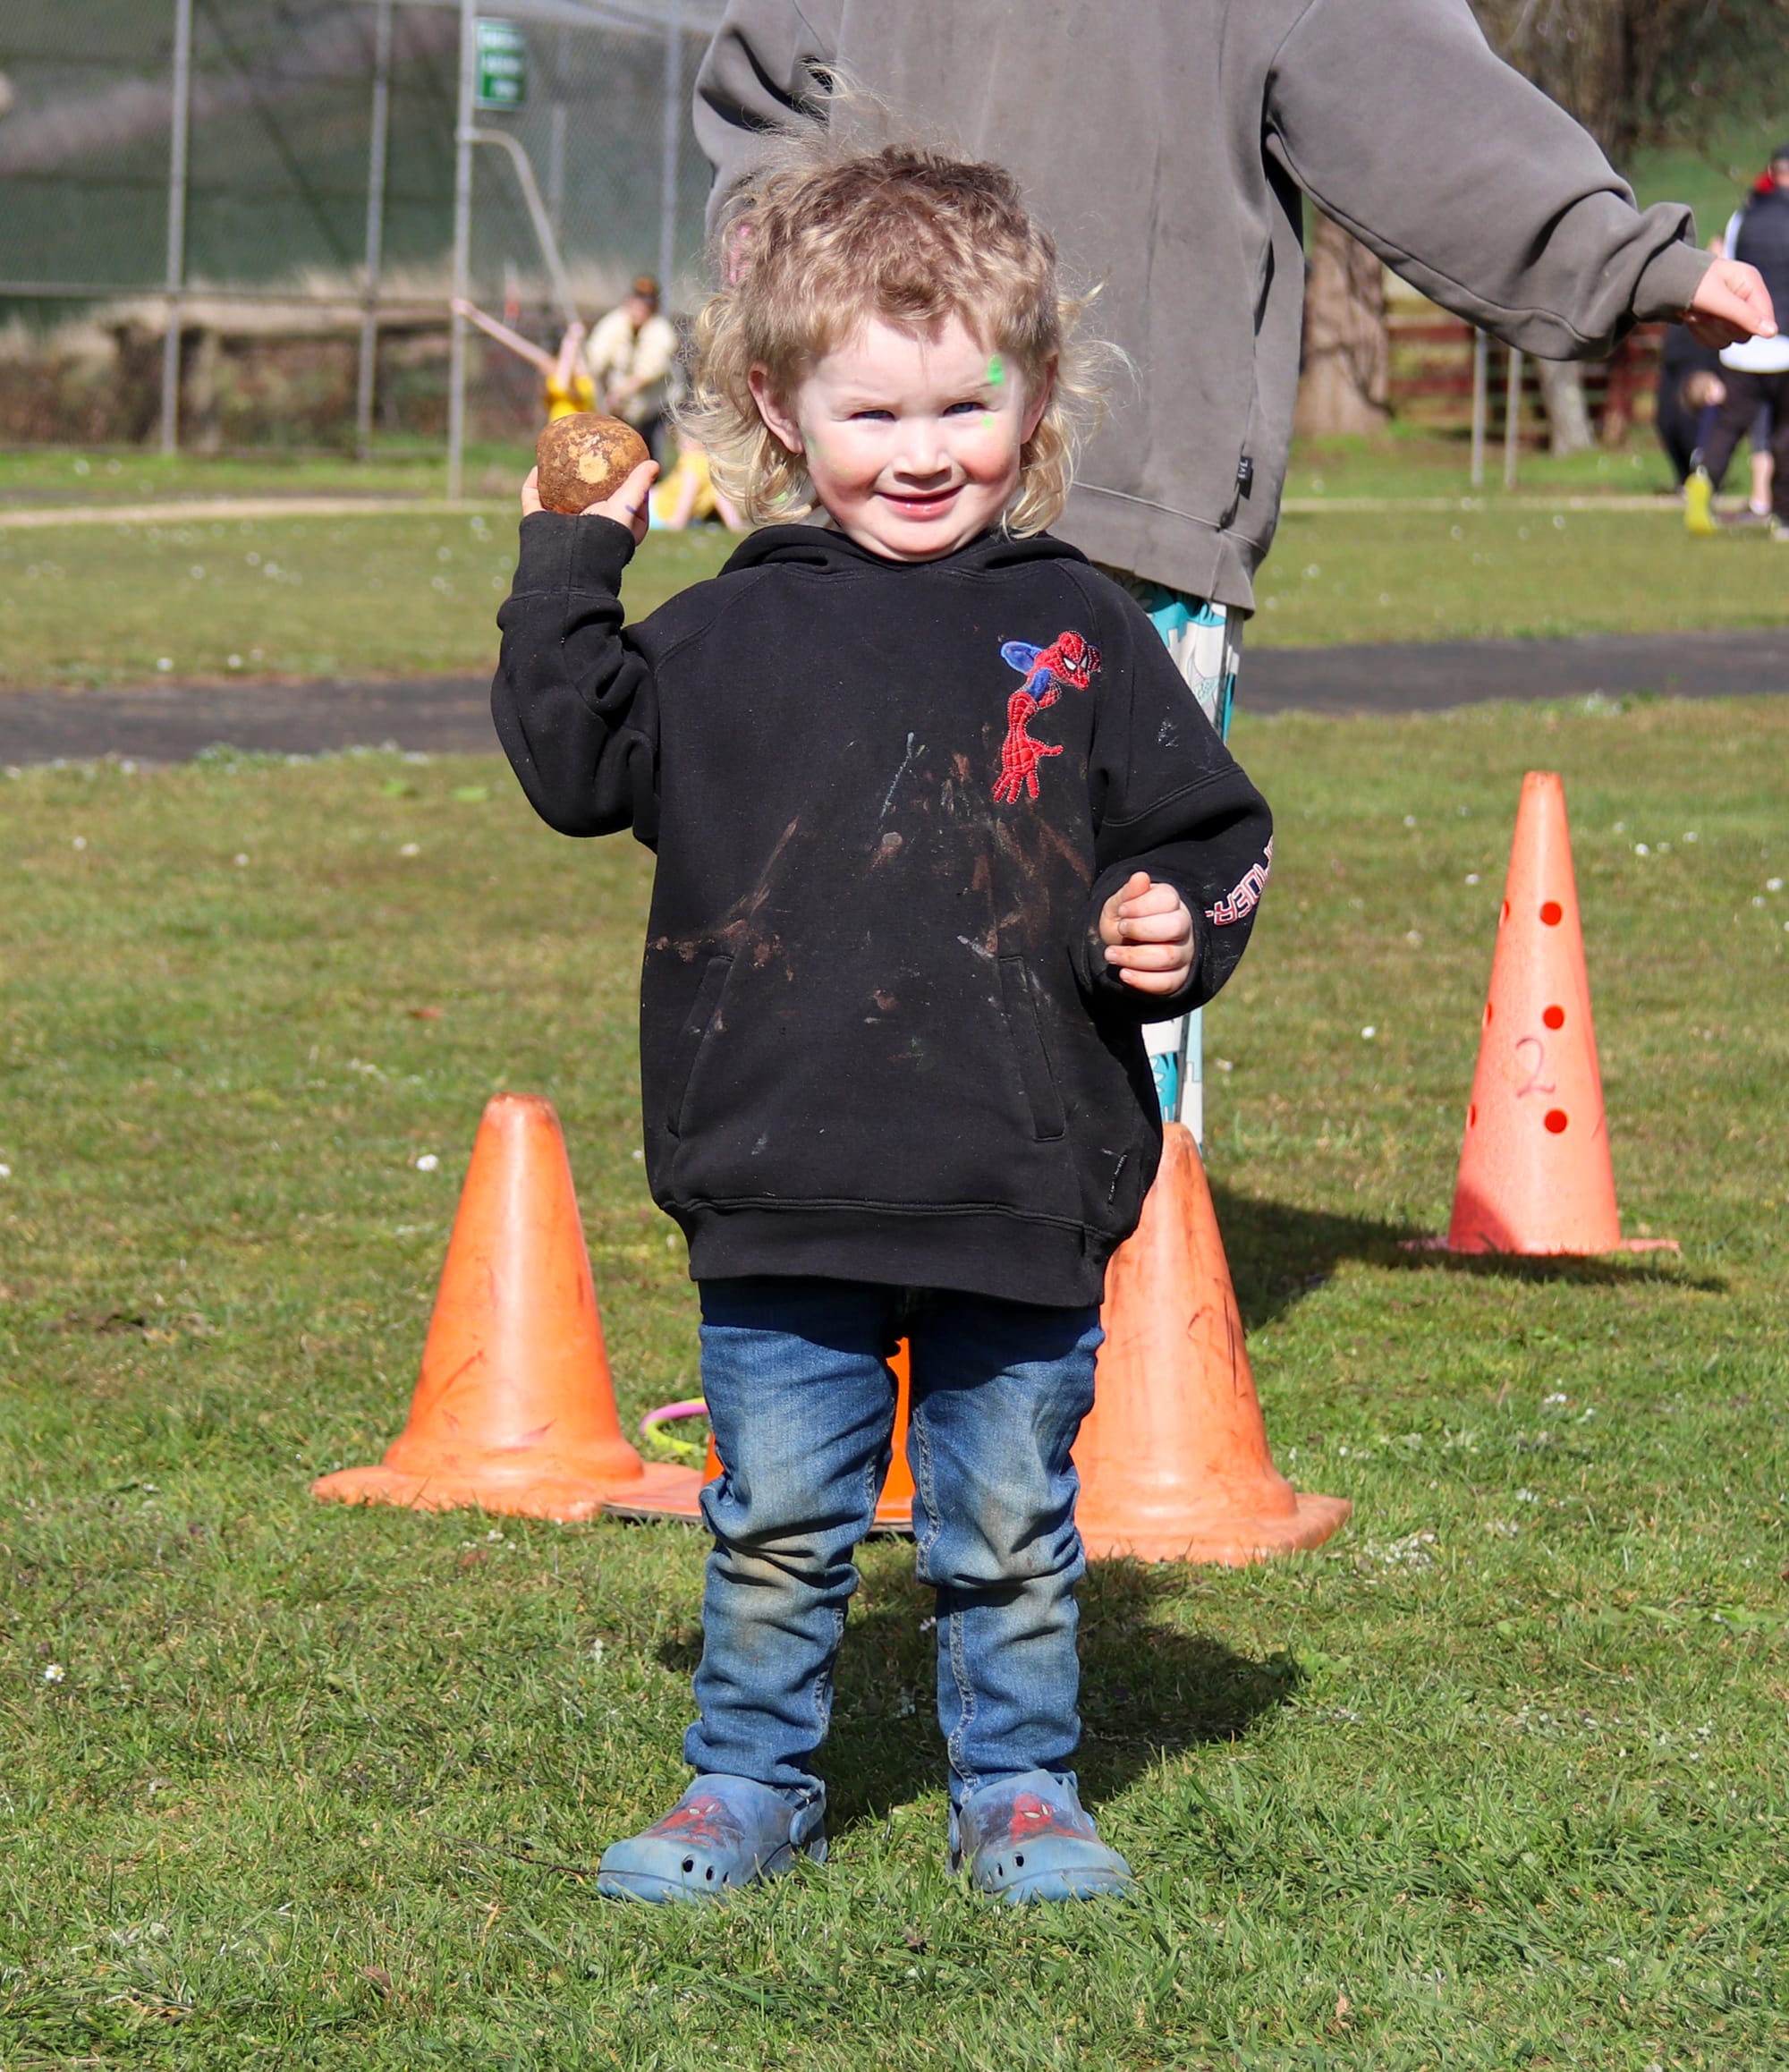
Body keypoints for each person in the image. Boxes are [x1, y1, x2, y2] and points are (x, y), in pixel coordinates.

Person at [490, 133, 1273, 1903]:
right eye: (871, 417)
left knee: (1006, 1532)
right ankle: (744, 1784)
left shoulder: (1075, 631)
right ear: (776, 413)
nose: (921, 456)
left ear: (1036, 392)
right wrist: (565, 568)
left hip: (1016, 1176)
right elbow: (571, 760)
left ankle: (1019, 1788)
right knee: (772, 1525)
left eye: (961, 411)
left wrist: (1174, 925)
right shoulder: (720, 641)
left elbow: (1212, 837)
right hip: (781, 1179)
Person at [693, 0, 1778, 1126]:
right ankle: (893, 1265)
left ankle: (1114, 1280)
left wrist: (1622, 259)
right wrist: (773, 282)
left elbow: (1403, 92)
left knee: (1127, 955)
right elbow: (770, 101)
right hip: (878, 527)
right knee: (867, 949)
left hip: (1119, 532)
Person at [1687, 155, 1789, 535]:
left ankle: (1703, 481)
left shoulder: (1741, 218)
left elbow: (1726, 272)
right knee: (1785, 435)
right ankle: (1784, 518)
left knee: (1727, 426)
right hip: (1784, 347)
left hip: (1743, 346)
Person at [585, 273, 680, 462]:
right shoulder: (613, 323)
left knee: (647, 456)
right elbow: (595, 360)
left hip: (653, 408)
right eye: (637, 299)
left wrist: (619, 393)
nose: (640, 306)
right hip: (620, 408)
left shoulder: (661, 331)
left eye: (646, 302)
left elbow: (647, 373)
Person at [450, 299, 594, 421]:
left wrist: (573, 343)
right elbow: (512, 340)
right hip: (559, 440)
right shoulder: (552, 367)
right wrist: (474, 315)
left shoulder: (589, 372)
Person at [649, 430, 745, 531]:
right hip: (659, 502)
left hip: (657, 509)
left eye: (682, 442)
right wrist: (735, 525)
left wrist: (677, 522)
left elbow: (687, 495)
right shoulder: (713, 467)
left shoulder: (691, 463)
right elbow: (721, 498)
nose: (678, 445)